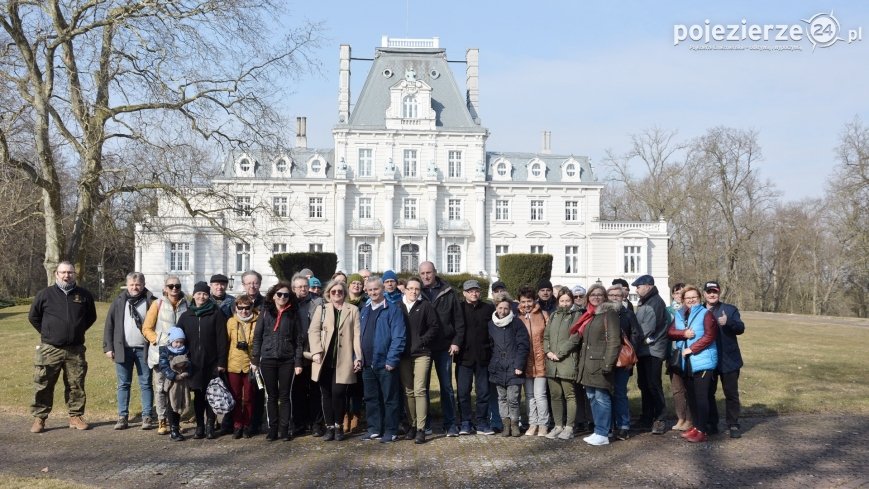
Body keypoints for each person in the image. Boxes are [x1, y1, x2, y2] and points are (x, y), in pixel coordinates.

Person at [29, 261, 97, 433]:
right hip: (50, 349)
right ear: (56, 274)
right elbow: (33, 317)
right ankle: (40, 418)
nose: (67, 275)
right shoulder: (45, 294)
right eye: (63, 272)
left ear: (75, 274)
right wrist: (49, 333)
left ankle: (75, 416)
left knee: (76, 385)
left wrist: (76, 331)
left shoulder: (84, 295)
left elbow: (90, 318)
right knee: (43, 384)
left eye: (70, 272)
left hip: (75, 350)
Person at [309, 280, 362, 442]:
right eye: (334, 291)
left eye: (340, 291)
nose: (337, 294)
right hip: (324, 358)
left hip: (344, 358)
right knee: (325, 394)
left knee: (339, 393)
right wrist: (316, 350)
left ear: (345, 293)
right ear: (328, 293)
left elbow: (356, 335)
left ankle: (339, 425)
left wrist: (358, 356)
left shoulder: (352, 310)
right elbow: (313, 330)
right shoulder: (322, 309)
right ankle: (330, 427)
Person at [103, 272, 157, 430]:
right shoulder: (119, 301)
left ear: (143, 284)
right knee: (123, 384)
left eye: (138, 284)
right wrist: (108, 347)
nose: (135, 287)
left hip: (144, 350)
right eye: (132, 284)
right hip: (123, 349)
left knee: (146, 383)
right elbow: (109, 325)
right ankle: (122, 417)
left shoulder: (151, 301)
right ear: (127, 285)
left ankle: (147, 416)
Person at [252, 281, 305, 441]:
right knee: (271, 396)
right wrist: (255, 358)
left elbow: (298, 340)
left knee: (285, 396)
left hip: (287, 359)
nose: (282, 297)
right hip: (268, 358)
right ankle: (272, 429)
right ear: (273, 296)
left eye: (286, 295)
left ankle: (284, 429)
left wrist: (298, 362)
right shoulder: (266, 312)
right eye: (279, 294)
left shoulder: (293, 313)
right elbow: (257, 336)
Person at [176, 281, 228, 440]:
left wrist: (221, 363)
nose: (202, 297)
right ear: (194, 295)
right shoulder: (186, 316)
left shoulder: (216, 313)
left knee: (211, 395)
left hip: (212, 362)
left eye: (205, 294)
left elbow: (222, 340)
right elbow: (178, 338)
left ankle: (210, 425)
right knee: (198, 396)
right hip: (194, 363)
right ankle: (200, 426)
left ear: (208, 295)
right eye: (199, 293)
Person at [418, 261, 464, 437]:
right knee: (423, 388)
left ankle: (450, 424)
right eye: (422, 273)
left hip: (445, 347)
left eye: (428, 272)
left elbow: (458, 320)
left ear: (435, 272)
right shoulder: (417, 292)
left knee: (446, 387)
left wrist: (456, 341)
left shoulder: (449, 292)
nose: (425, 276)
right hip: (424, 347)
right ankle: (426, 423)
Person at [359, 276, 406, 443]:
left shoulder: (393, 310)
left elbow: (398, 337)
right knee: (371, 398)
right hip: (367, 362)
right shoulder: (364, 310)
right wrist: (358, 357)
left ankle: (391, 430)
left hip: (385, 362)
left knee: (390, 398)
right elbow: (359, 336)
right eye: (370, 290)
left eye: (376, 289)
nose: (373, 292)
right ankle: (374, 429)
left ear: (383, 289)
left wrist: (392, 359)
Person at [669, 285, 718, 443]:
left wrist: (691, 349)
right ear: (682, 300)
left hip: (703, 361)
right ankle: (696, 426)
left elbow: (710, 336)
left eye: (694, 297)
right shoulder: (680, 314)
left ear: (699, 298)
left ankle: (702, 430)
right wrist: (683, 333)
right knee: (691, 397)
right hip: (686, 362)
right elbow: (669, 332)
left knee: (701, 397)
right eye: (687, 298)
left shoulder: (706, 314)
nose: (691, 300)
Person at [574, 284, 620, 446]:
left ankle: (603, 432)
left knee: (601, 397)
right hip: (588, 364)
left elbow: (614, 340)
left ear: (604, 297)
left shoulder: (609, 313)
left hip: (600, 363)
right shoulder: (591, 314)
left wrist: (608, 363)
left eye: (599, 294)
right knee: (592, 396)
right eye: (593, 294)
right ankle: (598, 430)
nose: (596, 297)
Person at [142, 275, 188, 435]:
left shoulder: (186, 304)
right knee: (161, 389)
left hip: (179, 357)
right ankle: (162, 420)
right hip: (160, 354)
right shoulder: (157, 304)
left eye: (177, 286)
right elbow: (146, 328)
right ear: (165, 288)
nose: (174, 289)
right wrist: (160, 341)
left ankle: (175, 420)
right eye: (171, 286)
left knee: (177, 389)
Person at [398, 276, 439, 443]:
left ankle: (421, 428)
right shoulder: (397, 306)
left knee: (420, 389)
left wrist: (421, 341)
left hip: (422, 353)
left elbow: (434, 327)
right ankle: (412, 424)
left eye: (417, 289)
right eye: (411, 288)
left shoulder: (425, 306)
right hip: (403, 355)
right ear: (405, 289)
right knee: (408, 391)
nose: (414, 291)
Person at [704, 280, 746, 438]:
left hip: (729, 359)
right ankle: (711, 423)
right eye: (709, 292)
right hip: (708, 359)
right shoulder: (699, 310)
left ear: (719, 292)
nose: (712, 294)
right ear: (704, 294)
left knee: (731, 393)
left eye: (715, 291)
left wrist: (728, 322)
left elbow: (740, 328)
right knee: (708, 393)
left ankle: (733, 424)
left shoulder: (729, 309)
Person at [455, 279, 495, 436]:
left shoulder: (488, 308)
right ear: (464, 293)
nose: (474, 293)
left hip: (483, 356)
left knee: (483, 392)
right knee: (463, 392)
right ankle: (465, 422)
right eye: (470, 291)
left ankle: (482, 422)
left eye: (476, 291)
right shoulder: (458, 308)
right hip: (464, 357)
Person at [631, 274, 669, 435]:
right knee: (644, 384)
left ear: (648, 286)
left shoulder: (655, 303)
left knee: (653, 384)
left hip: (653, 351)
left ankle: (660, 418)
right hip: (644, 350)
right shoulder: (646, 301)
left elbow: (645, 329)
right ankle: (646, 417)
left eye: (638, 287)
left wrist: (632, 344)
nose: (636, 290)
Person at [488, 296, 530, 438]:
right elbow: (489, 345)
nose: (503, 311)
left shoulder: (517, 323)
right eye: (500, 308)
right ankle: (505, 425)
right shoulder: (491, 325)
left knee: (513, 398)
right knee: (502, 398)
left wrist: (519, 365)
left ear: (510, 309)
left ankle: (514, 424)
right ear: (496, 308)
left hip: (514, 367)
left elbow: (523, 345)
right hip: (498, 367)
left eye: (506, 308)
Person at [543, 287, 581, 440]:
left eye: (567, 300)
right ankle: (558, 426)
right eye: (562, 300)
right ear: (558, 301)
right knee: (555, 395)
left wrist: (560, 353)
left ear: (572, 301)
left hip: (567, 361)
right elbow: (546, 336)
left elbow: (575, 337)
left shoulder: (577, 315)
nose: (564, 303)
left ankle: (569, 427)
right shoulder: (554, 315)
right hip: (552, 362)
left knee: (569, 395)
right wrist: (548, 351)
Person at [292, 273, 325, 437]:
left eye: (305, 286)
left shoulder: (318, 302)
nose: (303, 289)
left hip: (314, 351)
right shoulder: (290, 303)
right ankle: (299, 423)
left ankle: (316, 423)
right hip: (296, 353)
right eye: (299, 287)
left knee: (315, 390)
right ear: (293, 288)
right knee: (297, 391)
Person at [608, 285, 642, 440]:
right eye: (612, 295)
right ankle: (608, 425)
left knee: (620, 392)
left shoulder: (628, 314)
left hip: (623, 360)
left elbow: (636, 335)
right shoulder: (603, 313)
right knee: (606, 393)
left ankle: (623, 425)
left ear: (623, 297)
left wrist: (631, 358)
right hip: (606, 360)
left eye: (618, 295)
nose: (615, 297)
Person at [517, 285, 550, 437]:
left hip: (541, 360)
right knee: (529, 395)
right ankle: (532, 423)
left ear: (534, 300)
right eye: (523, 301)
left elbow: (548, 337)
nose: (526, 304)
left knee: (540, 395)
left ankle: (543, 424)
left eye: (529, 301)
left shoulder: (543, 315)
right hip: (526, 363)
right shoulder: (517, 318)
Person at [226, 295, 258, 439]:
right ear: (236, 308)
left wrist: (257, 361)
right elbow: (226, 342)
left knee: (250, 397)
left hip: (251, 365)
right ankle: (237, 424)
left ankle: (248, 424)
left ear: (252, 307)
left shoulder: (258, 321)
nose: (244, 311)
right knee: (236, 396)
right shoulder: (231, 322)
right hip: (234, 364)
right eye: (241, 308)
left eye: (247, 308)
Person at [158, 327, 191, 441]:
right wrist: (173, 376)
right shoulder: (165, 351)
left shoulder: (186, 351)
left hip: (183, 383)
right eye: (176, 342)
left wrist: (187, 372)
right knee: (172, 405)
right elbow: (163, 366)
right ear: (171, 341)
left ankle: (176, 427)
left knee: (180, 404)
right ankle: (173, 430)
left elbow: (190, 364)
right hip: (171, 383)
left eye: (181, 342)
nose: (178, 344)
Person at [667, 282, 692, 432]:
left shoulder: (690, 311)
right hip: (673, 354)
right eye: (676, 293)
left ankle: (690, 418)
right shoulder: (667, 310)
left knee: (689, 388)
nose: (678, 296)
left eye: (681, 293)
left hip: (688, 353)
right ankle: (680, 417)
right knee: (677, 389)